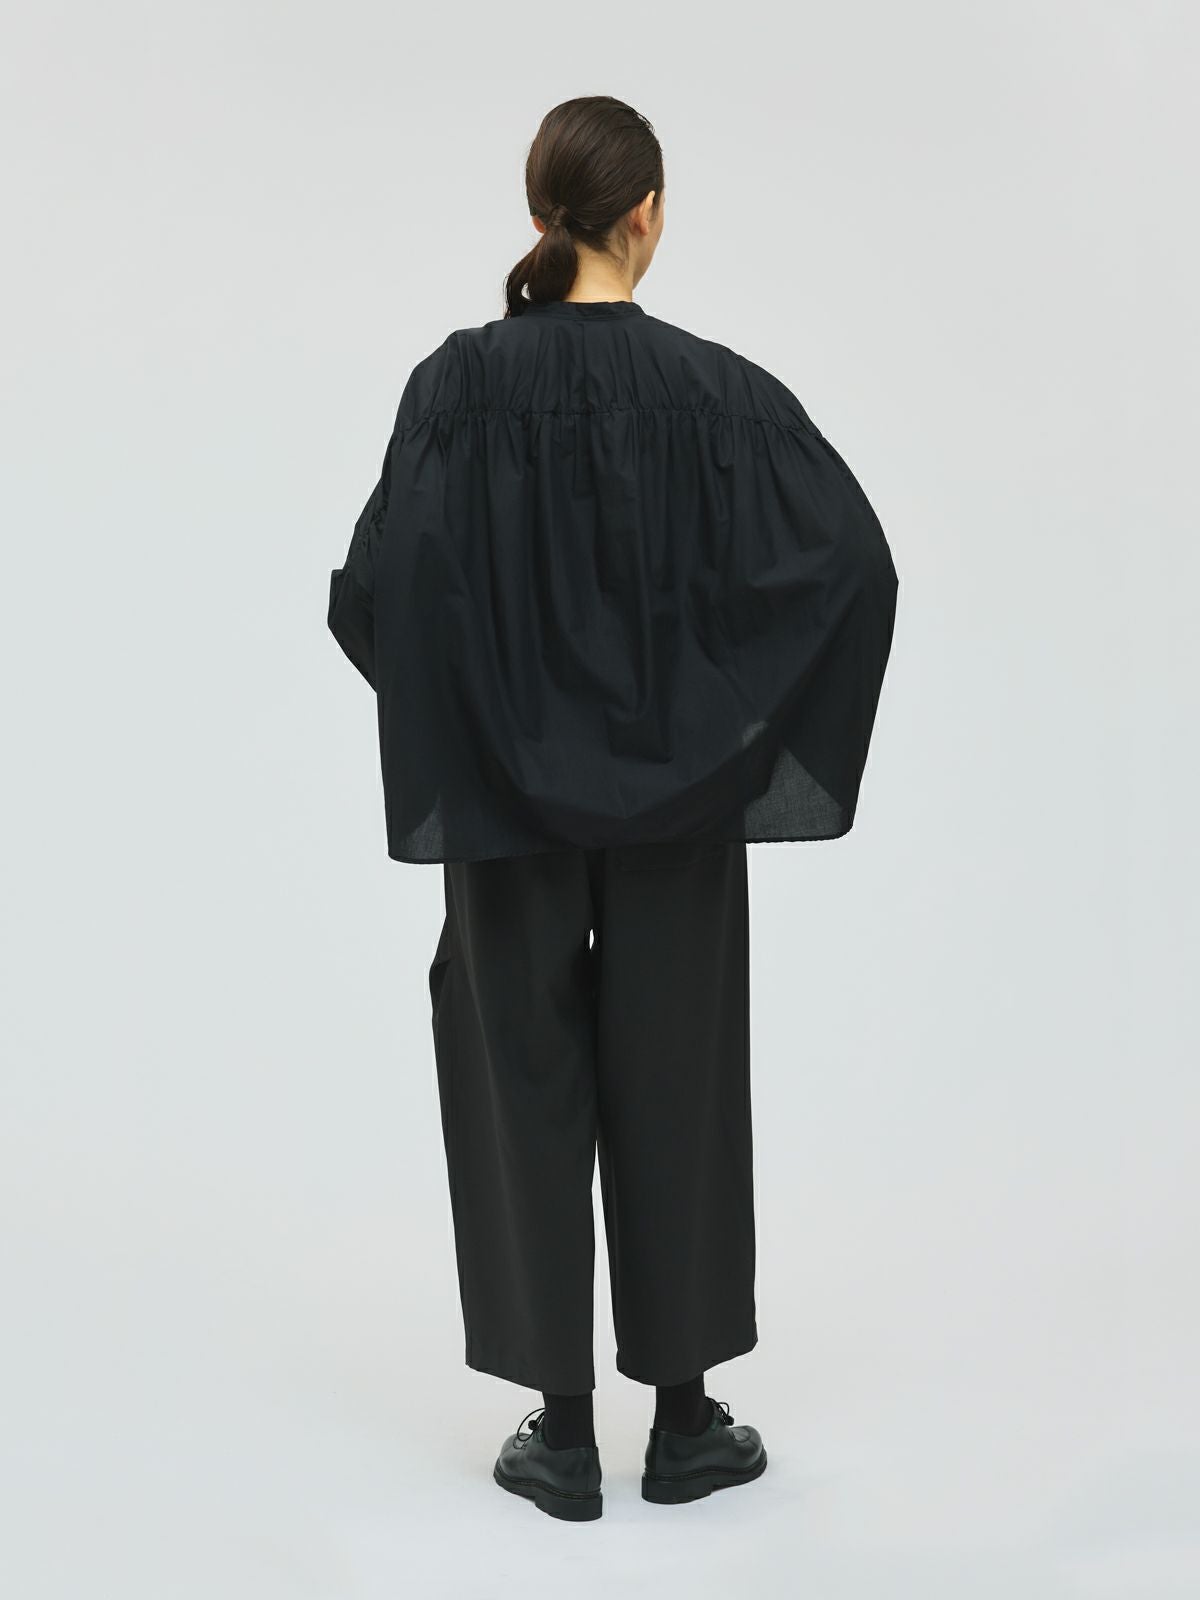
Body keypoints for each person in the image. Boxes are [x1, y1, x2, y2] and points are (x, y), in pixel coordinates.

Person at [327, 95, 899, 1522]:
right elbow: (853, 569)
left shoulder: (454, 389)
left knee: (517, 1074)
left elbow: (374, 594)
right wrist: (722, 732)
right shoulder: (721, 397)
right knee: (679, 1075)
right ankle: (688, 1424)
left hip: (504, 805)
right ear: (645, 215)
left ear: (541, 215)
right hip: (679, 805)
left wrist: (485, 716)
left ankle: (564, 1433)